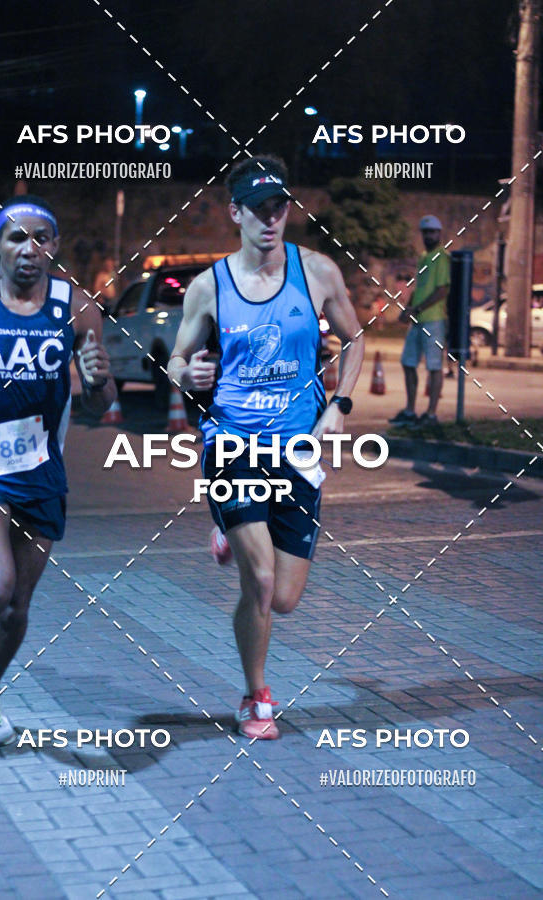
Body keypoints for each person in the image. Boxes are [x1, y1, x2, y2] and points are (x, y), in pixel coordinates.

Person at [168, 156, 364, 739]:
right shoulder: (209, 287)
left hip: (298, 451)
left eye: (279, 206)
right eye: (258, 209)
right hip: (232, 446)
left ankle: (230, 531)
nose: (271, 218)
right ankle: (256, 697)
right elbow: (178, 358)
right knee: (259, 580)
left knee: (285, 599)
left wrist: (340, 405)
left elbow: (354, 342)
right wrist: (188, 374)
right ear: (236, 213)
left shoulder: (319, 272)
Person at [0, 195, 116, 746]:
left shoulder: (76, 308)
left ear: (55, 248)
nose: (29, 249)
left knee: (18, 607)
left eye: (41, 238)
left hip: (42, 473)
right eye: (16, 238)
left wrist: (95, 383)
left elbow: (97, 404)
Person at [389, 215, 450, 427]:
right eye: (425, 232)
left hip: (434, 320)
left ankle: (431, 414)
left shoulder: (442, 257)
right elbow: (419, 288)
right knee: (408, 363)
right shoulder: (424, 256)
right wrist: (407, 309)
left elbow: (442, 289)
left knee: (434, 367)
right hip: (418, 320)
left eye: (432, 232)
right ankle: (410, 410)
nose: (429, 235)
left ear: (439, 234)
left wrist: (418, 308)